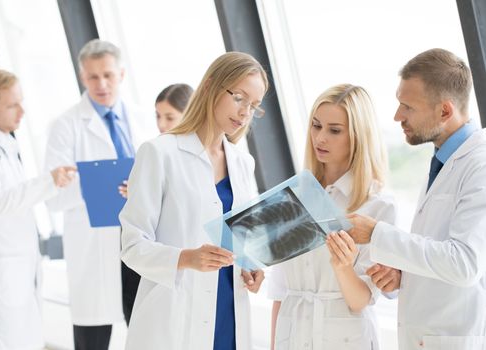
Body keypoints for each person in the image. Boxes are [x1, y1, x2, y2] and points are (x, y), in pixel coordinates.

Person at [119, 51, 267, 350]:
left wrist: (252, 267)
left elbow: (242, 240)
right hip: (174, 315)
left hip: (228, 310)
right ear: (212, 85)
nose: (244, 113)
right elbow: (132, 245)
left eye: (254, 106)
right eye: (239, 97)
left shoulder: (243, 162)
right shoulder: (159, 153)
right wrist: (186, 258)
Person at [348, 48, 486, 350]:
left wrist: (377, 234)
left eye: (407, 106)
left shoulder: (480, 165)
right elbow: (439, 252)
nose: (398, 116)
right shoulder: (443, 159)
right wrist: (403, 276)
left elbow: (465, 263)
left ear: (445, 111)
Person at [268, 84, 396, 350]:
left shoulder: (377, 205)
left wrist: (343, 266)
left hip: (346, 339)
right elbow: (281, 292)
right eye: (316, 126)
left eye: (334, 130)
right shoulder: (293, 196)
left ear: (358, 136)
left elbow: (361, 300)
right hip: (292, 336)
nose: (320, 138)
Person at [44, 39, 149, 350]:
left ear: (122, 74)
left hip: (138, 238)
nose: (101, 84)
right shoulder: (65, 126)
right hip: (94, 245)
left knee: (146, 331)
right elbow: (54, 196)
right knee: (93, 339)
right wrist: (103, 183)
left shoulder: (142, 119)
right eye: (93, 77)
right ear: (82, 77)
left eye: (108, 75)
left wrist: (141, 188)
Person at [0, 68, 75, 350]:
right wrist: (47, 182)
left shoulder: (6, 145)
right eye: (12, 104)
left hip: (20, 270)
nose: (22, 111)